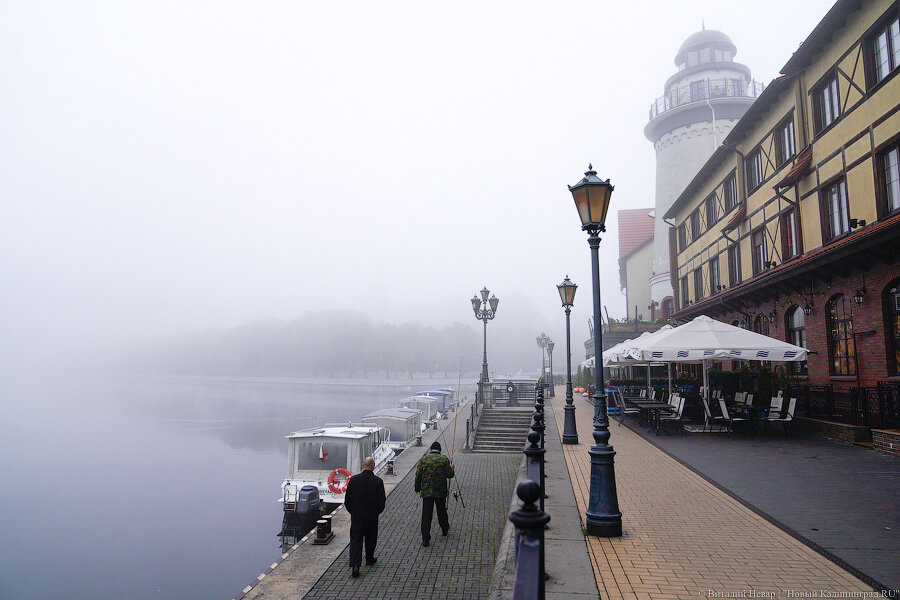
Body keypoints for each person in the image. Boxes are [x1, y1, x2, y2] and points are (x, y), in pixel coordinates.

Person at [343, 456, 386, 578]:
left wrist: (353, 512)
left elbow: (348, 500)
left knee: (356, 539)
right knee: (371, 537)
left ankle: (355, 566)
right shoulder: (378, 482)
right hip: (372, 516)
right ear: (373, 466)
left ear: (363, 465)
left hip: (357, 516)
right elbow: (381, 502)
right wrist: (376, 512)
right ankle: (369, 558)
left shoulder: (353, 480)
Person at [414, 441, 455, 547]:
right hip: (440, 492)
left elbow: (418, 475)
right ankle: (445, 529)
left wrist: (417, 488)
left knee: (426, 515)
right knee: (441, 511)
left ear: (431, 450)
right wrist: (452, 467)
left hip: (427, 492)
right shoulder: (444, 459)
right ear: (440, 450)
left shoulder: (424, 459)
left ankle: (425, 539)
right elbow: (449, 474)